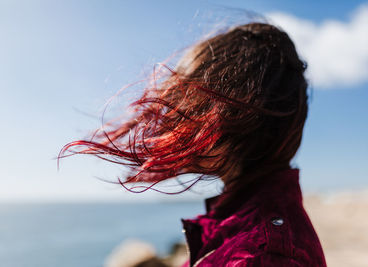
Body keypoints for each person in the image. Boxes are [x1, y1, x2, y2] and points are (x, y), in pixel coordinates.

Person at [60, 22, 327, 266]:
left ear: (246, 119)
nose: (177, 121)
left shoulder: (262, 254)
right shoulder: (247, 230)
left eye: (195, 105)